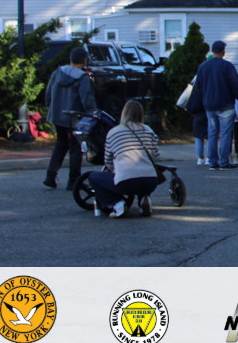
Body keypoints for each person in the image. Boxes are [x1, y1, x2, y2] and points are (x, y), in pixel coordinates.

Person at [88, 100, 161, 218]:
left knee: (93, 177)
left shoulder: (113, 132)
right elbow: (156, 156)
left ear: (124, 113)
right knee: (142, 175)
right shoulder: (148, 130)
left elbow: (108, 161)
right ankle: (144, 199)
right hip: (151, 181)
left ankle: (117, 204)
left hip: (126, 182)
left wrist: (116, 170)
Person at [43, 47, 98, 190]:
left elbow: (48, 94)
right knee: (75, 148)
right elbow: (86, 99)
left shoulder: (58, 72)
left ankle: (50, 176)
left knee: (60, 145)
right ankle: (73, 180)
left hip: (56, 115)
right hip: (73, 118)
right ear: (84, 60)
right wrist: (93, 113)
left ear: (70, 59)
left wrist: (51, 107)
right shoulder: (82, 77)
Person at [189, 40, 238, 171]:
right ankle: (224, 161)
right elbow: (235, 85)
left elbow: (198, 87)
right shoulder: (227, 66)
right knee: (225, 134)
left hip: (209, 104)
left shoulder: (203, 67)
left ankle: (212, 161)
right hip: (226, 104)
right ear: (223, 51)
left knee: (212, 133)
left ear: (213, 50)